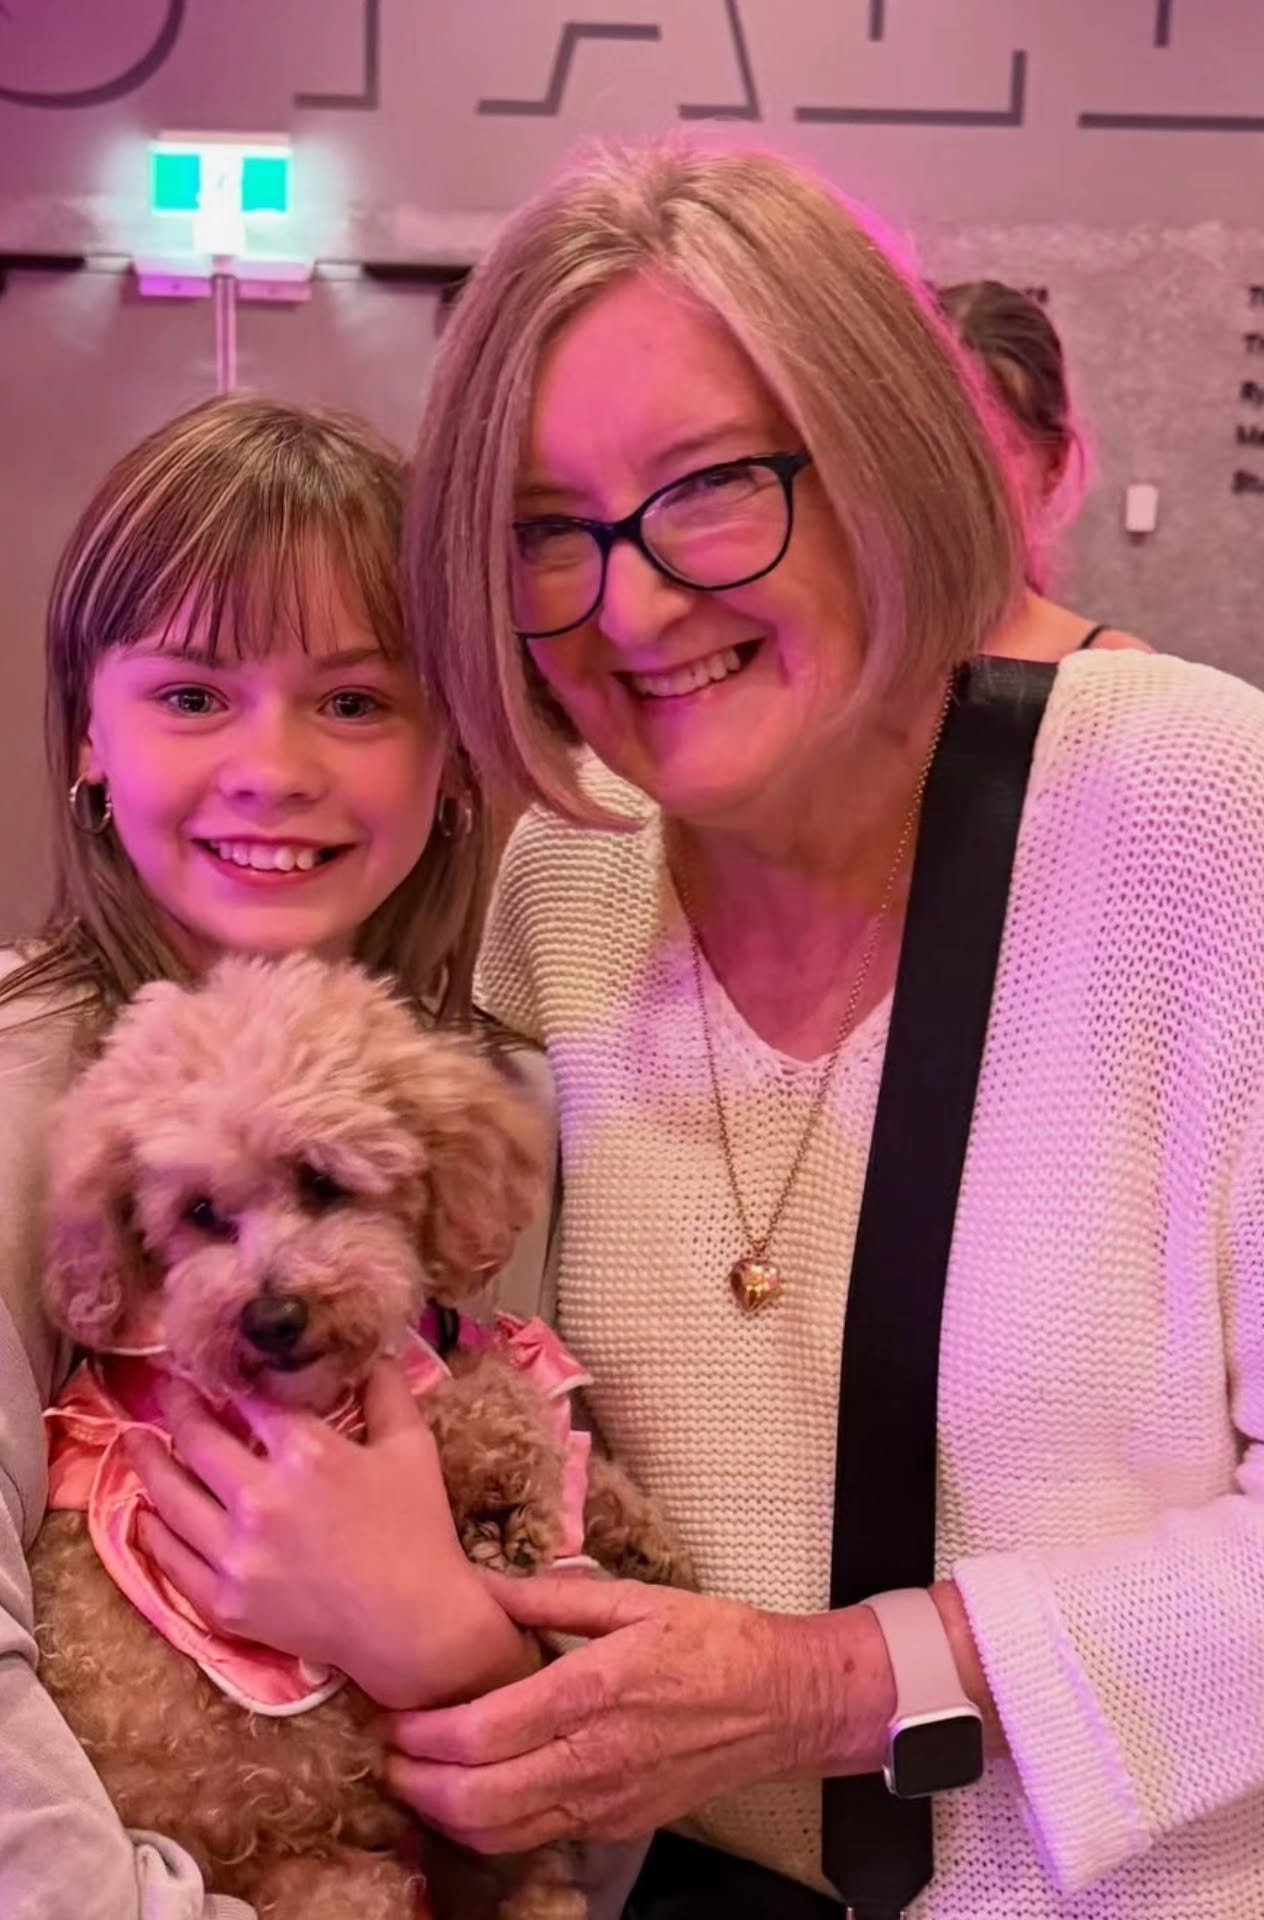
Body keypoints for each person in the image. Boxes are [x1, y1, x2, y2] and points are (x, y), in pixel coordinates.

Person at [376, 139, 1259, 1917]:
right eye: (547, 531)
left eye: (711, 488)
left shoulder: (1199, 821)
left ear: (880, 455)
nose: (628, 604)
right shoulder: (567, 880)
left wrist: (834, 1685)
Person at [0, 395, 545, 1919]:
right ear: (89, 730)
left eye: (355, 702)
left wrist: (452, 1644)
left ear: (459, 747)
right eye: (195, 696)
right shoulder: (7, 1072)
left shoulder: (486, 1085)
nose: (272, 768)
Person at [936, 277, 1150, 661]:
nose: (954, 476)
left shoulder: (1113, 675)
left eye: (993, 449)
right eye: (932, 445)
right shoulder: (836, 658)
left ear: (1052, 464)